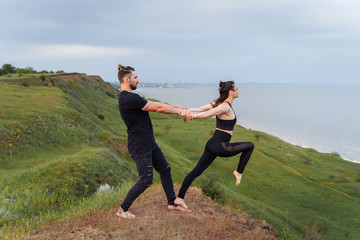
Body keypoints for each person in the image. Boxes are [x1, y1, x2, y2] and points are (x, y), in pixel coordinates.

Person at [116, 64, 189, 219]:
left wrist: (174, 106)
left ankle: (172, 202)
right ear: (127, 79)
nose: (138, 80)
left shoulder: (129, 98)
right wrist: (179, 111)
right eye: (135, 77)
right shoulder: (128, 98)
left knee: (165, 169)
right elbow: (156, 108)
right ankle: (122, 209)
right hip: (139, 145)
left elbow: (156, 105)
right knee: (146, 180)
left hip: (149, 142)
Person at [175, 81, 254, 210]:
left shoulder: (220, 103)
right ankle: (239, 172)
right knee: (250, 146)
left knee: (196, 171)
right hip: (221, 147)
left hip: (211, 144)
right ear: (231, 92)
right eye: (236, 89)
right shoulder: (225, 107)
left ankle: (179, 198)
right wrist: (190, 115)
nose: (238, 90)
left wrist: (185, 110)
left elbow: (201, 108)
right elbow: (205, 113)